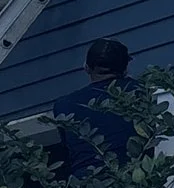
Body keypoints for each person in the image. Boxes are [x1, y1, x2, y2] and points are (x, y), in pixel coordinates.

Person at [52, 39, 134, 179]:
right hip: (132, 184)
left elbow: (68, 150)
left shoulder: (63, 106)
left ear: (86, 67)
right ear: (126, 69)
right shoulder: (144, 94)